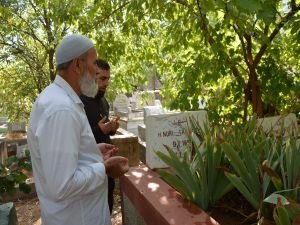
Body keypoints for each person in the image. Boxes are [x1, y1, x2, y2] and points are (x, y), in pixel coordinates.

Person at [27, 34, 129, 225]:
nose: (95, 71)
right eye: (93, 64)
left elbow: (63, 161)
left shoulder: (60, 99)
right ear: (77, 65)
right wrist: (105, 168)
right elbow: (62, 185)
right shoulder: (61, 109)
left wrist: (91, 150)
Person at [80, 59, 119, 214]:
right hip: (87, 170)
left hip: (106, 168)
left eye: (108, 78)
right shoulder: (79, 102)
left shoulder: (103, 101)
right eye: (102, 78)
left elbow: (104, 129)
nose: (106, 83)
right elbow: (77, 138)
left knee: (107, 210)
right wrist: (99, 131)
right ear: (91, 76)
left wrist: (111, 129)